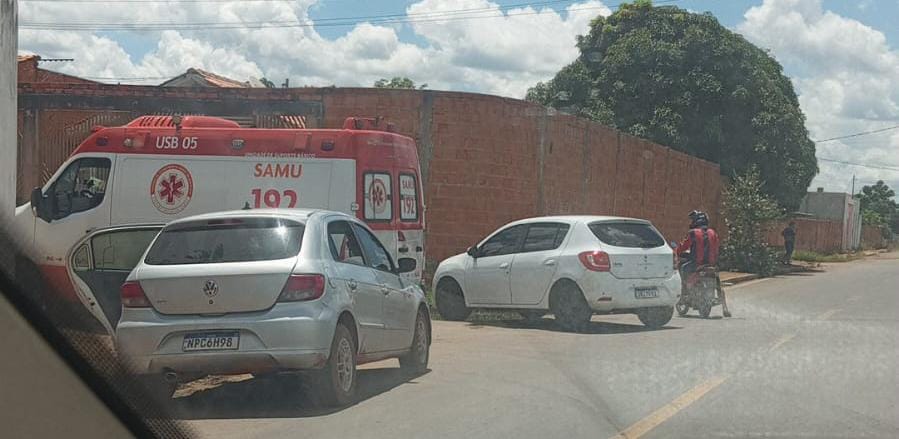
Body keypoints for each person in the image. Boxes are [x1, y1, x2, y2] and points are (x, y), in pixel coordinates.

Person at [675, 210, 731, 317]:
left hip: (696, 264)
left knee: (682, 268)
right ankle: (725, 308)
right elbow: (716, 249)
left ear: (696, 221)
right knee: (718, 281)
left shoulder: (693, 233)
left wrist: (676, 252)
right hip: (711, 264)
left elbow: (683, 247)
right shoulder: (713, 233)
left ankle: (684, 294)